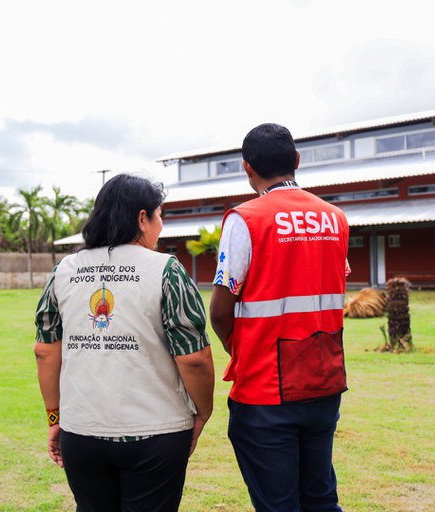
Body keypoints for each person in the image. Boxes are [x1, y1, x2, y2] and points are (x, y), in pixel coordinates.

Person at [34, 173, 215, 512]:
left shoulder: (64, 271)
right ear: (142, 218)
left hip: (82, 431)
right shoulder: (167, 270)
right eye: (160, 215)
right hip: (156, 434)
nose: (161, 226)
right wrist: (203, 411)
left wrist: (55, 418)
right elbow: (193, 358)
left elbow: (45, 352)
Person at [210, 123, 349, 512]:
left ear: (247, 167)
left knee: (278, 505)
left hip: (265, 387)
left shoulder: (246, 219)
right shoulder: (334, 218)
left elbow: (221, 309)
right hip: (324, 380)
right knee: (320, 499)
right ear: (297, 161)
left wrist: (236, 347)